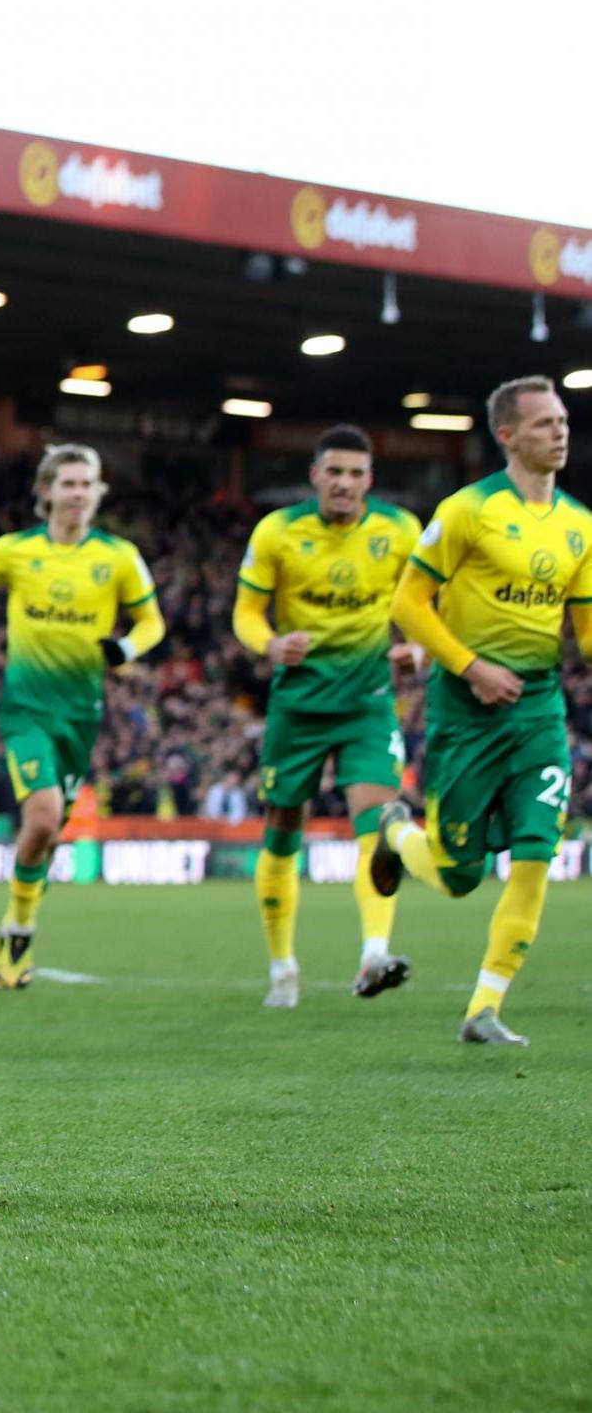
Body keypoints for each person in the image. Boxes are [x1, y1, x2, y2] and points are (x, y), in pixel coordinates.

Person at [372, 376, 592, 1047]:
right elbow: (407, 605)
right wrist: (469, 666)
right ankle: (396, 834)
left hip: (537, 710)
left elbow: (584, 629)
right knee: (459, 876)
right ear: (506, 435)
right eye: (543, 423)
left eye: (561, 421)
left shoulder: (580, 525)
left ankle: (483, 1008)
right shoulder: (467, 511)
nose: (559, 432)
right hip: (465, 710)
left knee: (534, 854)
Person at [0, 444, 164, 989]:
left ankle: (13, 928)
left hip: (82, 714)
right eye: (68, 484)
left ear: (98, 493)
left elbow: (151, 621)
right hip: (26, 708)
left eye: (87, 484)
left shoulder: (118, 556)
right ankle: (19, 934)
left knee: (48, 834)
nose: (78, 493)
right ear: (46, 492)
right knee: (42, 818)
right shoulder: (14, 550)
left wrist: (127, 649)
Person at [232, 425, 423, 1009]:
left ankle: (374, 954)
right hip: (299, 706)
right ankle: (283, 967)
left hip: (367, 703)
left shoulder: (399, 530)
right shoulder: (278, 532)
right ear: (315, 475)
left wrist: (417, 646)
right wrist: (269, 645)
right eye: (333, 472)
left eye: (356, 474)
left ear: (370, 480)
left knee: (377, 822)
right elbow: (246, 614)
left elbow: (421, 605)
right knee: (283, 834)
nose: (344, 483)